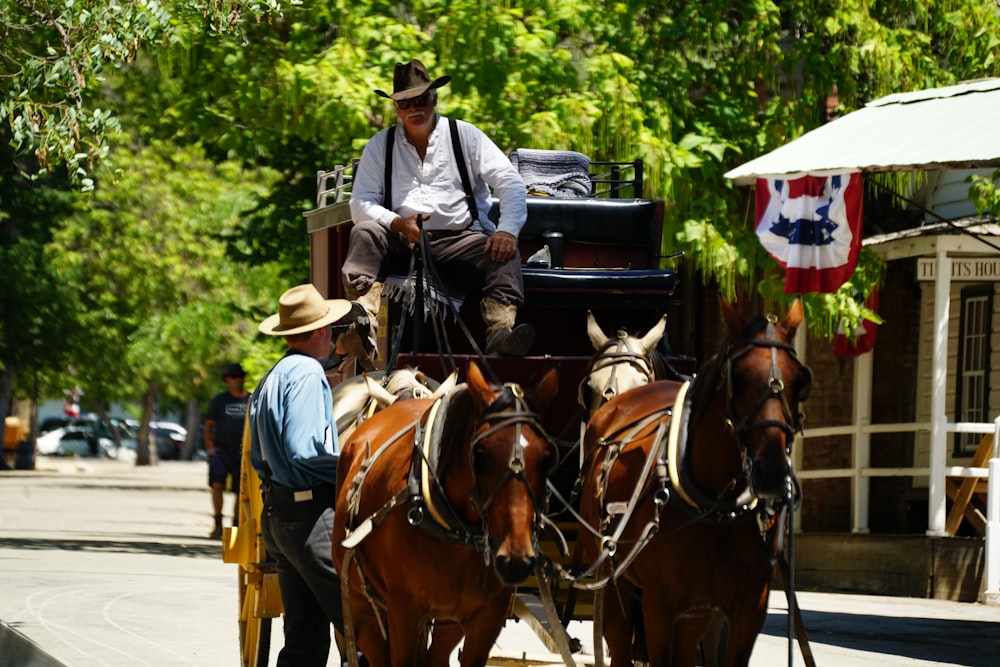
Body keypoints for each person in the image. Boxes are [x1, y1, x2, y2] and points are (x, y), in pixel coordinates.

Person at [345, 58, 535, 356]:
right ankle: (362, 322)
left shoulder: (465, 136)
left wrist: (507, 231)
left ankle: (500, 334)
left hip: (461, 240)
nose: (414, 109)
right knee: (365, 232)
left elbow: (510, 183)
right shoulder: (380, 146)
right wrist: (398, 224)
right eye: (405, 103)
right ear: (396, 107)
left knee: (504, 251)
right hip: (402, 243)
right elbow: (360, 204)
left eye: (421, 100)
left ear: (434, 99)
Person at [248, 283, 358, 667]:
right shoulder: (309, 373)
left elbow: (256, 457)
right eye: (330, 327)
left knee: (303, 642)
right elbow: (306, 450)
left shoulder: (272, 377)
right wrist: (356, 464)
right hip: (310, 519)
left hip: (279, 518)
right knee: (364, 629)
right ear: (320, 331)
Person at [204, 362, 250, 540]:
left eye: (240, 376)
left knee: (241, 490)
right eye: (234, 377)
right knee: (217, 486)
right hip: (221, 451)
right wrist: (211, 449)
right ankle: (217, 524)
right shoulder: (219, 400)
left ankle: (237, 525)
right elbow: (208, 425)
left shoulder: (250, 399)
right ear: (227, 380)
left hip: (242, 452)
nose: (238, 380)